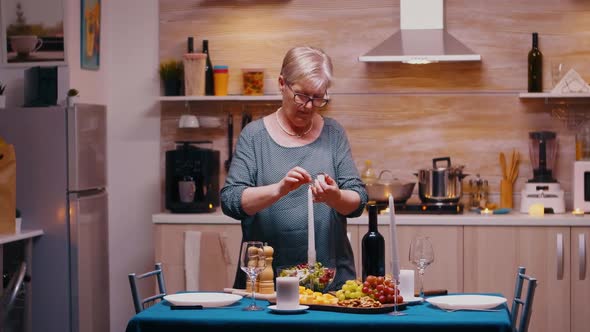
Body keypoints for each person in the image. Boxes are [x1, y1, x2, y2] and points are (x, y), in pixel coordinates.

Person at [221, 46, 368, 290]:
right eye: (301, 95)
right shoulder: (254, 136)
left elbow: (359, 199)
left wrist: (335, 197)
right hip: (266, 282)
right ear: (282, 83)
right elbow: (231, 200)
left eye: (318, 98)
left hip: (330, 281)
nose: (309, 106)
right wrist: (278, 190)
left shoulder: (333, 133)